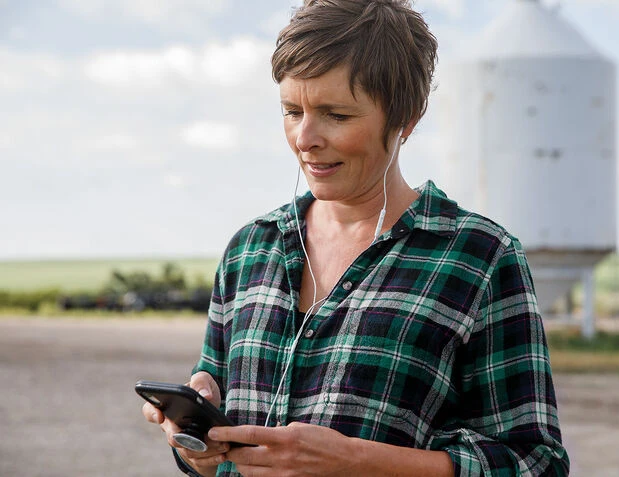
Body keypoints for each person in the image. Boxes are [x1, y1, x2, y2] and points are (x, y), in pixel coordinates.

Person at [142, 1, 570, 475]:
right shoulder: (251, 248)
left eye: (336, 115)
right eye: (291, 110)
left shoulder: (480, 258)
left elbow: (536, 463)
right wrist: (198, 446)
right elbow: (214, 462)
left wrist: (356, 461)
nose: (305, 137)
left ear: (406, 117)